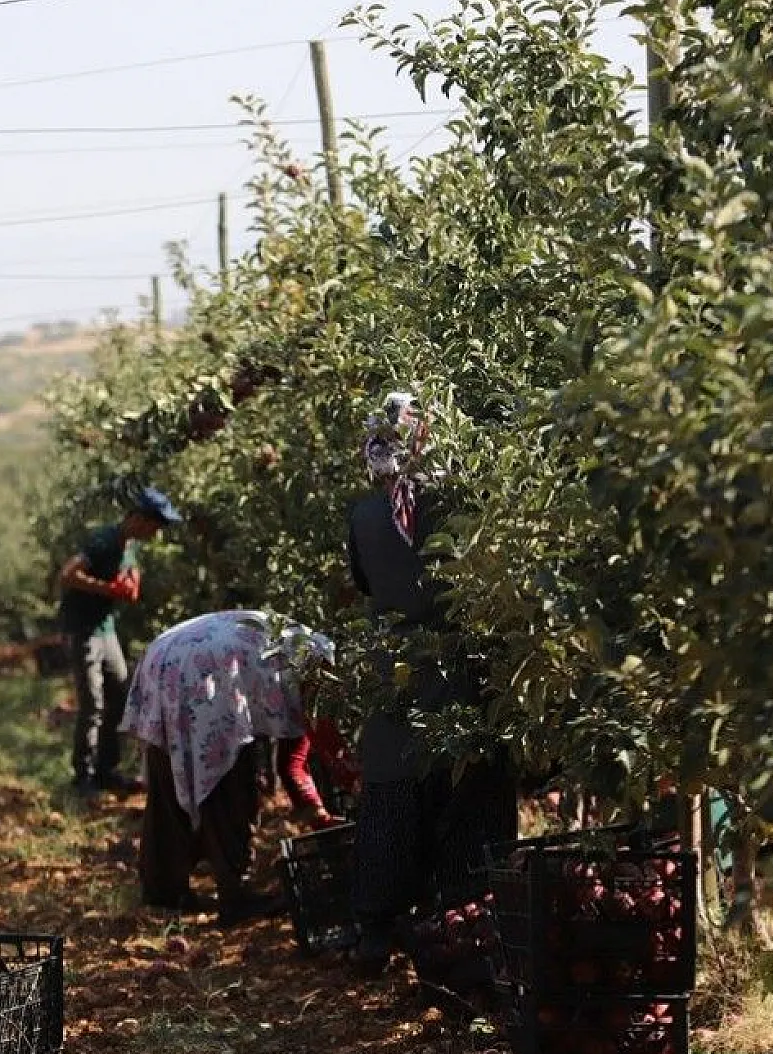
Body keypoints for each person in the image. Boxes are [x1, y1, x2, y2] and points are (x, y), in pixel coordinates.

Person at [345, 391, 516, 973]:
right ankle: (461, 933)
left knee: (392, 795)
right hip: (460, 667)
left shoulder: (366, 514)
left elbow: (367, 584)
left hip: (394, 671)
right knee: (467, 796)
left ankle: (376, 931)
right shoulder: (460, 503)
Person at [119, 610, 349, 927]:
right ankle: (235, 894)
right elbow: (293, 764)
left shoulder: (303, 644)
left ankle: (164, 889)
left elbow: (290, 763)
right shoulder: (320, 674)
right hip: (207, 672)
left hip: (166, 657)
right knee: (229, 790)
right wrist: (328, 807)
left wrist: (316, 814)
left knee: (168, 781)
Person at [58, 485, 183, 794]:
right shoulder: (104, 540)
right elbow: (68, 574)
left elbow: (129, 577)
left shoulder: (129, 546)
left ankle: (106, 770)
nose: (157, 533)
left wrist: (130, 584)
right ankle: (83, 777)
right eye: (156, 525)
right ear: (140, 519)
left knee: (119, 697)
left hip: (105, 629)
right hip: (83, 629)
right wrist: (108, 589)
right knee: (92, 704)